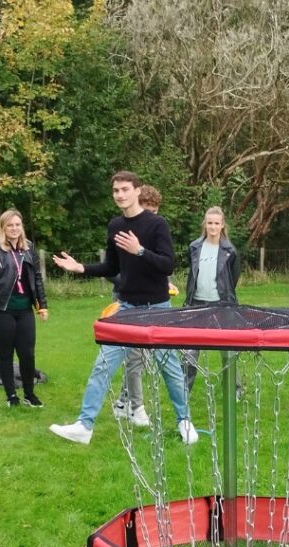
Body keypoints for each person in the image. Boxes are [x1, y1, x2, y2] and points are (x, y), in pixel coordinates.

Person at [49, 171, 197, 445]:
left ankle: (184, 421)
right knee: (102, 366)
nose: (119, 195)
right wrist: (80, 267)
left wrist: (140, 250)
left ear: (137, 191)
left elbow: (168, 265)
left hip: (157, 309)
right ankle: (84, 426)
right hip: (126, 309)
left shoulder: (157, 225)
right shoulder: (115, 225)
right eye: (115, 190)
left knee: (170, 368)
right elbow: (112, 267)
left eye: (125, 189)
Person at [0, 209, 49, 408]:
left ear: (22, 227)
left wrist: (42, 305)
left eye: (18, 225)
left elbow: (36, 278)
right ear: (3, 227)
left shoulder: (29, 248)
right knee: (5, 354)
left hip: (24, 309)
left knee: (27, 353)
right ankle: (11, 396)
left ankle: (29, 394)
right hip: (1, 309)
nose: (14, 228)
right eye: (10, 225)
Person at [113, 184, 165, 428]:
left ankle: (122, 401)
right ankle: (137, 407)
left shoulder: (154, 230)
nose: (152, 216)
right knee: (135, 356)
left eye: (155, 211)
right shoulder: (122, 231)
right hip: (129, 301)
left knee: (142, 356)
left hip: (154, 301)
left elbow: (162, 264)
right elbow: (114, 269)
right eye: (148, 211)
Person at [182, 206, 241, 393]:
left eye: (216, 223)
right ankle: (184, 391)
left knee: (228, 350)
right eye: (209, 223)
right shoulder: (194, 247)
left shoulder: (230, 251)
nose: (213, 227)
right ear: (205, 225)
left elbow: (233, 278)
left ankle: (235, 389)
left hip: (222, 305)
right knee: (190, 352)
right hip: (196, 304)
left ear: (222, 225)